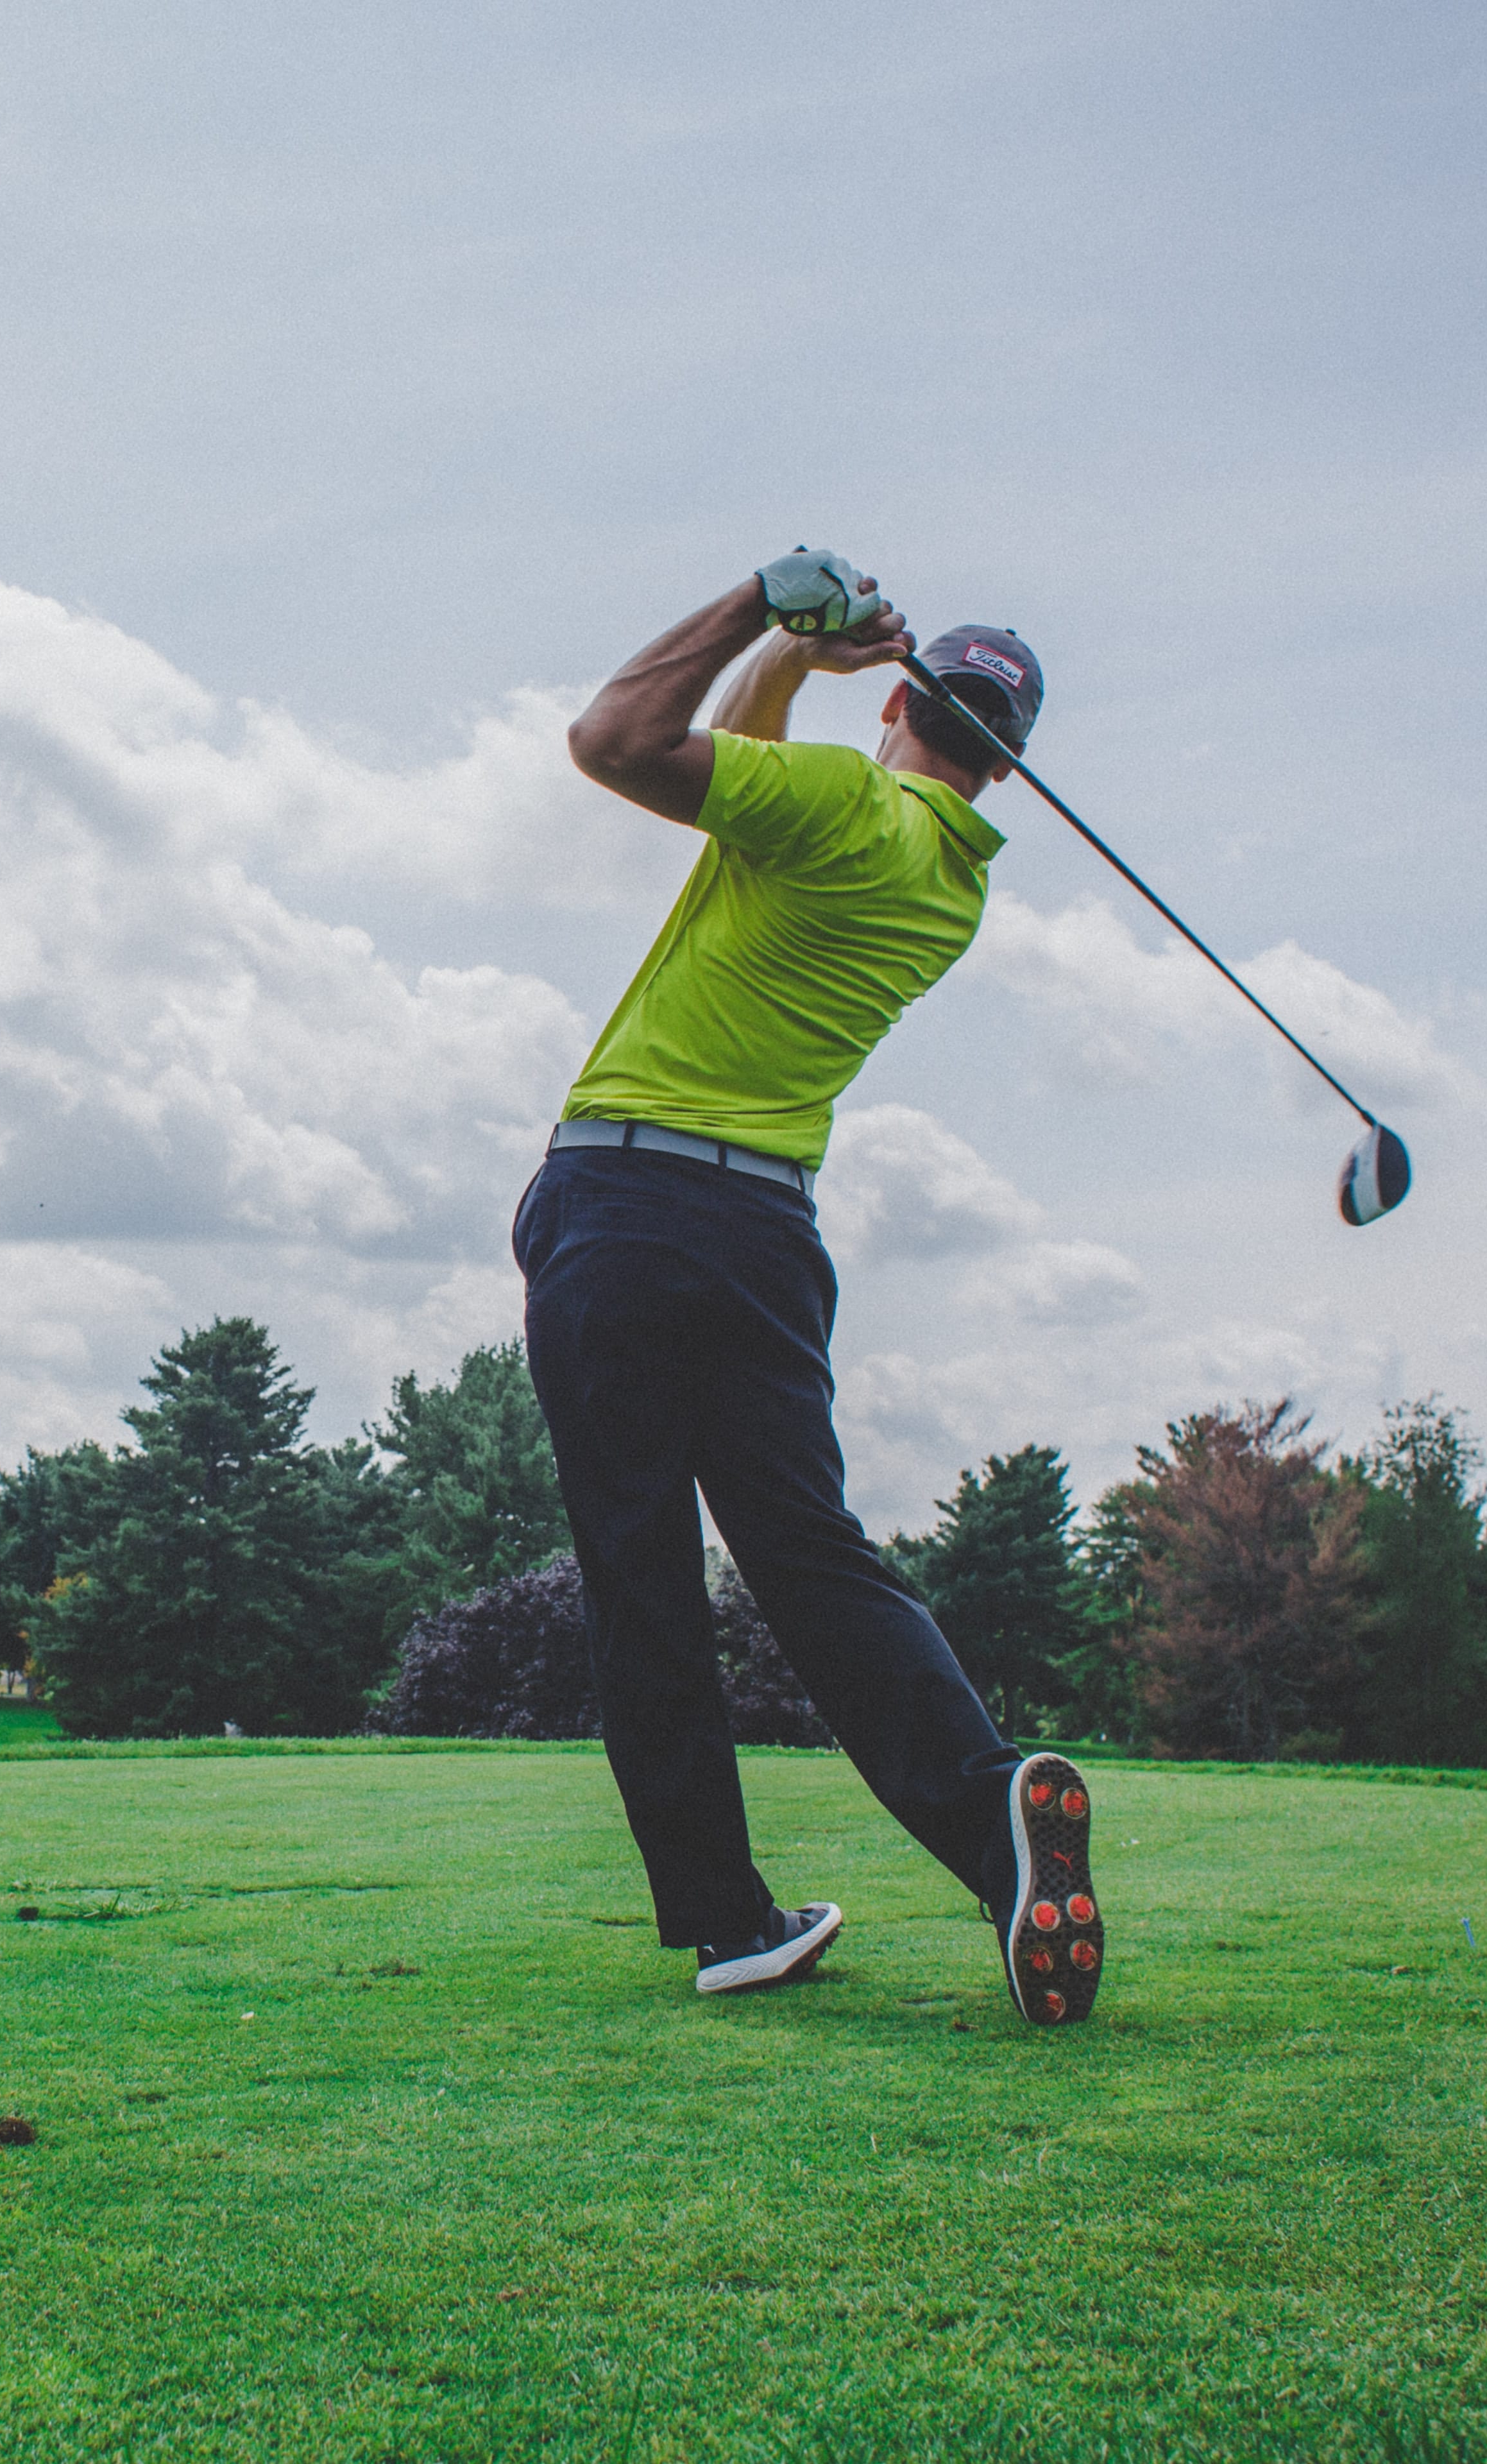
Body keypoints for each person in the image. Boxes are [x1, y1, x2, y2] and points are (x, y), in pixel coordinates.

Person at [517, 546, 1102, 2024]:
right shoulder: (943, 873)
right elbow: (751, 766)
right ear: (1008, 771)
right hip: (767, 1236)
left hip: (630, 1206)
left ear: (901, 701)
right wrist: (796, 662)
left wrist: (750, 605)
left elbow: (617, 743)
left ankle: (727, 1919)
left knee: (643, 1573)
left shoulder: (843, 806)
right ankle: (992, 1827)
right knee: (814, 1559)